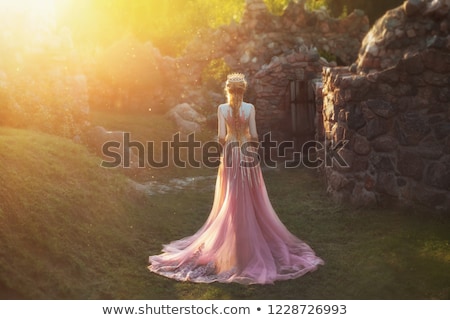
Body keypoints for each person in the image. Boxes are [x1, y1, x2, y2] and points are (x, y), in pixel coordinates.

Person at [148, 73, 324, 284]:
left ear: (228, 91)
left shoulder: (222, 109)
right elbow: (255, 135)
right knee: (250, 195)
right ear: (243, 90)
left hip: (231, 154)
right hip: (247, 153)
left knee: (231, 196)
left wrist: (230, 146)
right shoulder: (250, 108)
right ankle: (248, 241)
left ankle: (233, 242)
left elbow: (222, 137)